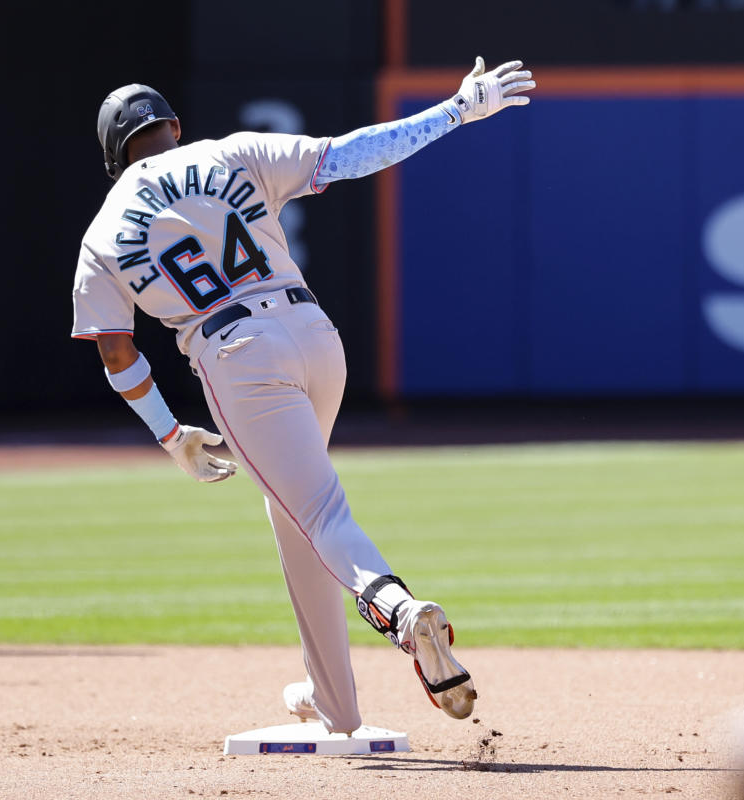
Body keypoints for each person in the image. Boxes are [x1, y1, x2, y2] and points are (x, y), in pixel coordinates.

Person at [72, 59, 535, 732]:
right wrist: (457, 110)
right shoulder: (233, 152)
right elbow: (353, 155)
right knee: (295, 513)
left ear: (115, 159)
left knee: (318, 513)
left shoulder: (102, 233)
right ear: (174, 126)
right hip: (315, 335)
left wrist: (171, 434)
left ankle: (403, 615)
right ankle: (335, 705)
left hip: (236, 357)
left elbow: (117, 353)